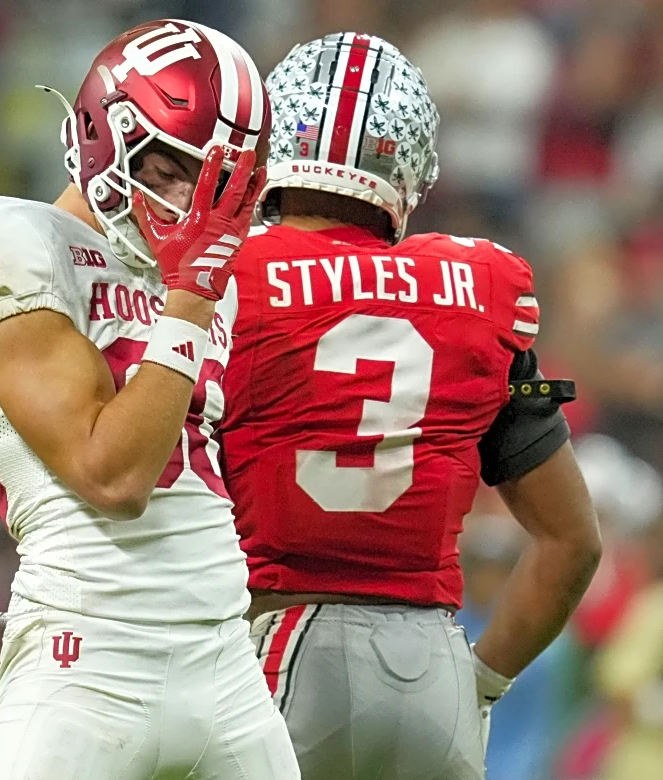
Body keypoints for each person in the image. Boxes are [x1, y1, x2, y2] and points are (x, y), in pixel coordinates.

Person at [0, 19, 300, 780]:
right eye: (167, 170)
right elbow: (112, 476)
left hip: (227, 662)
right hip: (87, 659)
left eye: (217, 184)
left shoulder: (211, 270)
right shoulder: (7, 240)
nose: (190, 206)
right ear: (101, 134)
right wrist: (190, 298)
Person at [219, 32, 603, 780]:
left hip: (274, 643)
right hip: (431, 670)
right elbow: (573, 543)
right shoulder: (481, 294)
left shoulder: (230, 276)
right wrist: (479, 687)